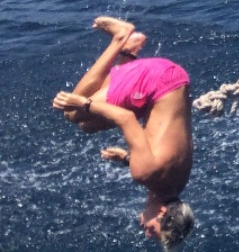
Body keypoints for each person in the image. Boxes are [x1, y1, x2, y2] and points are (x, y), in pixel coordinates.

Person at [52, 17, 196, 249]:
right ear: (162, 212)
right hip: (156, 80)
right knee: (72, 113)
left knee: (88, 126)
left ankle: (129, 53)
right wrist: (84, 103)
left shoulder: (177, 185)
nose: (147, 233)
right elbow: (125, 118)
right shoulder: (144, 173)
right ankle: (121, 37)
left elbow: (161, 161)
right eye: (153, 230)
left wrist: (127, 158)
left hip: (176, 81)